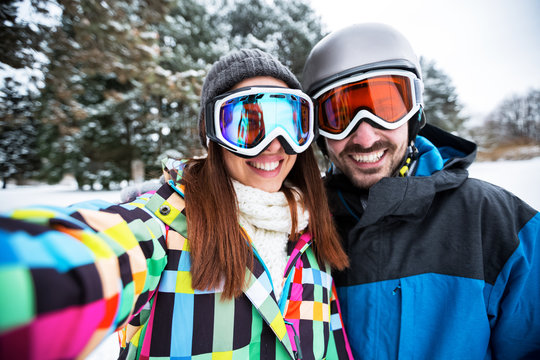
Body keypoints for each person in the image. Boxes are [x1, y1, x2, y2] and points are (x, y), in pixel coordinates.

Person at [0, 49, 353, 360]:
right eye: (246, 125)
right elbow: (96, 252)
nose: (273, 144)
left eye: (288, 123)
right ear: (212, 134)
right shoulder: (164, 231)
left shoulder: (312, 238)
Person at [301, 23, 540, 359]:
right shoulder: (301, 231)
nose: (366, 137)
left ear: (414, 114)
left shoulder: (501, 223)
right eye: (339, 116)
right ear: (318, 133)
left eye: (385, 108)